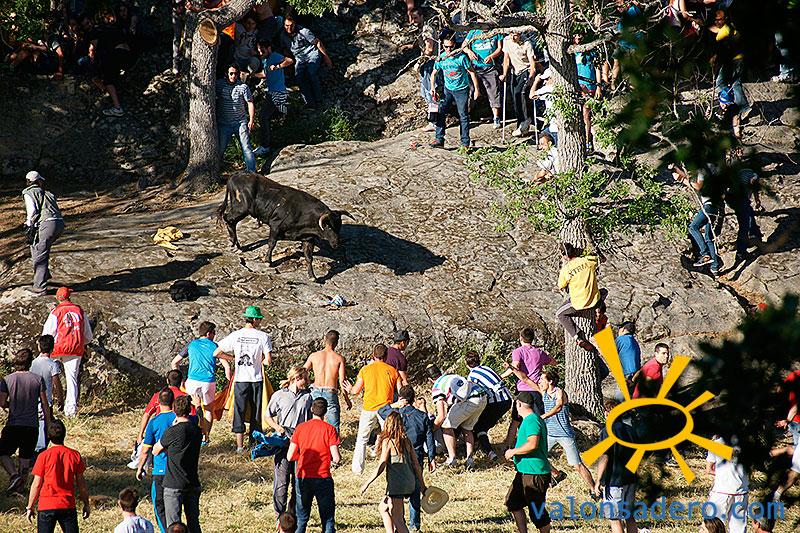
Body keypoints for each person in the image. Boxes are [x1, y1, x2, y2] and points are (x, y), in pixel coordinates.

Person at [214, 305, 273, 453]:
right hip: (256, 379)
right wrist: (260, 360)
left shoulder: (236, 335)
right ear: (254, 320)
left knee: (239, 411)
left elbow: (216, 353)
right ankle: (254, 443)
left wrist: (232, 358)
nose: (260, 321)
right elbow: (268, 361)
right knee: (256, 412)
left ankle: (240, 446)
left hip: (240, 379)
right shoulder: (263, 336)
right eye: (259, 319)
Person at [378, 385, 436, 530]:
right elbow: (429, 437)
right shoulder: (422, 416)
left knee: (397, 493)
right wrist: (431, 457)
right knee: (415, 491)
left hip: (398, 456)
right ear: (414, 398)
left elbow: (380, 411)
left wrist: (395, 404)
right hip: (417, 454)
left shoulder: (396, 414)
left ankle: (400, 522)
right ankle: (414, 524)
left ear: (401, 398)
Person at [360, 411, 427, 533]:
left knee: (397, 519)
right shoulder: (406, 441)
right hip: (410, 482)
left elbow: (382, 465)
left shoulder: (388, 442)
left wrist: (367, 483)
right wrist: (422, 486)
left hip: (397, 485)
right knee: (383, 508)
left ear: (388, 425)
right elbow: (416, 465)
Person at [1, 348, 53, 494]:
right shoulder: (38, 379)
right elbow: (44, 403)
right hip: (32, 425)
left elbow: (2, 402)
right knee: (25, 458)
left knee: (3, 452)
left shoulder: (7, 379)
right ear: (30, 363)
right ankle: (20, 489)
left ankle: (14, 475)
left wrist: (11, 404)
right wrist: (48, 422)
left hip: (14, 423)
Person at [265, 366, 313, 520]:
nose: (307, 381)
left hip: (302, 444)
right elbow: (267, 415)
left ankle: (292, 515)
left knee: (299, 482)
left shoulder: (308, 397)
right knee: (282, 482)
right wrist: (277, 427)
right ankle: (279, 515)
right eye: (305, 378)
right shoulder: (279, 395)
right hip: (284, 443)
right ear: (296, 378)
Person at [288, 397, 341, 533]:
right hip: (323, 477)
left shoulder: (300, 428)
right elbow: (336, 458)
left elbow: (290, 456)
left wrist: (301, 458)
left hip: (303, 477)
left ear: (311, 409)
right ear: (325, 412)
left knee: (301, 518)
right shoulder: (330, 429)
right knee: (327, 519)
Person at [26, 419, 90, 532]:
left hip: (46, 505)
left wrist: (30, 506)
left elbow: (36, 484)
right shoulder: (74, 455)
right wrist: (86, 503)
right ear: (64, 434)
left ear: (48, 436)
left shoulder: (43, 456)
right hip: (67, 504)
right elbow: (81, 484)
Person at [348, 344, 401, 474]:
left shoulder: (365, 370)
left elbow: (355, 391)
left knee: (362, 438)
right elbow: (401, 392)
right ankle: (393, 466)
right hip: (386, 408)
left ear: (373, 355)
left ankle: (357, 469)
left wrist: (349, 388)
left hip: (369, 408)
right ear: (386, 356)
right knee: (391, 437)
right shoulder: (393, 371)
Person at [538, 370, 595, 491]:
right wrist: (513, 369)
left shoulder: (560, 392)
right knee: (538, 455)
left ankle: (594, 489)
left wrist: (543, 416)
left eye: (542, 379)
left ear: (550, 381)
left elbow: (558, 406)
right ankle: (557, 474)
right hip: (550, 434)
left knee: (577, 465)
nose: (540, 382)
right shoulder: (544, 393)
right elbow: (526, 379)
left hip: (564, 435)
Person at [153, 395, 202, 533]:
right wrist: (198, 406)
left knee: (174, 526)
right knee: (194, 523)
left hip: (173, 484)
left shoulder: (172, 431)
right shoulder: (196, 430)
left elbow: (156, 450)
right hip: (192, 482)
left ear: (174, 410)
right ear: (189, 410)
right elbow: (200, 420)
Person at [504, 392, 552, 533]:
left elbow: (532, 444)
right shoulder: (529, 420)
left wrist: (513, 451)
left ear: (518, 404)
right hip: (524, 471)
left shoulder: (532, 420)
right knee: (513, 502)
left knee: (537, 514)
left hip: (535, 473)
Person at [41, 287, 93, 418]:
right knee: (72, 378)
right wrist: (82, 343)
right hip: (75, 349)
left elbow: (47, 333)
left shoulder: (55, 312)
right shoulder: (80, 311)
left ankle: (45, 406)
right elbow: (88, 336)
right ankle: (71, 411)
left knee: (46, 375)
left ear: (58, 298)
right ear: (69, 297)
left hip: (57, 348)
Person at [501, 328, 554, 447]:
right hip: (537, 390)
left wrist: (501, 376)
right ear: (532, 338)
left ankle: (508, 446)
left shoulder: (518, 351)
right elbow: (553, 362)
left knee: (516, 421)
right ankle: (541, 445)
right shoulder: (539, 352)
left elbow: (514, 367)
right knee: (538, 419)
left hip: (522, 390)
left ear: (521, 338)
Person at [427, 365, 487, 468]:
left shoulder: (437, 387)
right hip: (482, 397)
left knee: (446, 426)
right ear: (440, 372)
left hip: (469, 401)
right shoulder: (452, 376)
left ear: (429, 379)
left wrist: (431, 430)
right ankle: (470, 459)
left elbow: (441, 416)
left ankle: (452, 459)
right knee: (467, 428)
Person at [593, 399, 639, 533]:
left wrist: (598, 480)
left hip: (614, 481)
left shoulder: (607, 431)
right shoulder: (630, 430)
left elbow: (604, 456)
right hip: (630, 478)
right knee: (629, 516)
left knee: (615, 518)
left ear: (607, 413)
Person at [672, 164, 724, 277]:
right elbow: (689, 179)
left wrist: (682, 180)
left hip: (708, 206)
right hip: (715, 208)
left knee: (693, 227)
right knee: (708, 237)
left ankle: (705, 254)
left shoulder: (702, 172)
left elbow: (697, 186)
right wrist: (676, 170)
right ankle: (714, 268)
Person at [171, 322, 219, 443]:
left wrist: (181, 380)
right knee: (208, 410)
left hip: (192, 381)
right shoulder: (214, 346)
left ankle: (189, 436)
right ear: (208, 333)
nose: (214, 335)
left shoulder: (191, 344)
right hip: (208, 382)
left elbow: (174, 362)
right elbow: (225, 363)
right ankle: (205, 437)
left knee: (188, 408)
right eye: (214, 333)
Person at [429, 37, 480, 149]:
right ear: (442, 46)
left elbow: (472, 72)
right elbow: (433, 73)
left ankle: (465, 143)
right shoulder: (441, 58)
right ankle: (439, 139)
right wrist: (432, 87)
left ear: (454, 45)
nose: (448, 49)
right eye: (446, 46)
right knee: (441, 112)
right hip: (448, 89)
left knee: (463, 115)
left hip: (461, 90)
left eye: (451, 47)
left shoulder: (461, 58)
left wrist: (476, 89)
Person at [137, 388, 176, 533]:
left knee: (159, 506)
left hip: (160, 470)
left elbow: (145, 450)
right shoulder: (178, 419)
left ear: (158, 402)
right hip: (178, 470)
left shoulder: (154, 422)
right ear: (172, 401)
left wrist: (140, 467)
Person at [22, 171, 64, 295]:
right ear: (38, 181)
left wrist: (28, 225)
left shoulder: (28, 192)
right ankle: (44, 275)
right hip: (59, 224)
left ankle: (39, 287)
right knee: (36, 247)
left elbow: (32, 211)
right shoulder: (48, 193)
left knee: (40, 255)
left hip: (47, 225)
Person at [303, 330, 352, 435]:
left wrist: (308, 382)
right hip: (330, 392)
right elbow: (342, 381)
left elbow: (302, 371)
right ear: (337, 342)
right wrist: (347, 399)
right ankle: (333, 442)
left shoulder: (314, 356)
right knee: (333, 425)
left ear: (324, 339)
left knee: (314, 420)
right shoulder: (339, 359)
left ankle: (313, 439)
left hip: (316, 390)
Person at [465, 351, 512, 461]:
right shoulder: (487, 368)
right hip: (508, 398)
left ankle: (489, 452)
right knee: (485, 423)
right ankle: (479, 444)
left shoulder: (472, 376)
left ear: (466, 364)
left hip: (496, 402)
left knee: (479, 427)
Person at [280, 14, 332, 109]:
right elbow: (286, 50)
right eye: (287, 25)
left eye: (291, 25)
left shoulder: (304, 31)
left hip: (311, 54)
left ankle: (319, 100)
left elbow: (317, 43)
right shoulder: (283, 36)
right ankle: (309, 103)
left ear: (295, 24)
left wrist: (326, 58)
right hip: (299, 58)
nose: (289, 28)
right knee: (299, 77)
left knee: (311, 73)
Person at [251, 40, 293, 157]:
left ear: (269, 48)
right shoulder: (265, 60)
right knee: (271, 117)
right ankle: (271, 143)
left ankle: (265, 146)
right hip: (271, 92)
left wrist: (278, 66)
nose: (260, 53)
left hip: (277, 92)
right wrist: (253, 75)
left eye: (262, 50)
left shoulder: (274, 56)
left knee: (263, 117)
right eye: (259, 51)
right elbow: (265, 74)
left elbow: (290, 60)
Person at [556, 243, 601, 351]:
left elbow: (561, 285)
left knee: (560, 314)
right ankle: (599, 309)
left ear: (564, 256)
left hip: (579, 304)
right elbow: (599, 259)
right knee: (604, 291)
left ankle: (578, 337)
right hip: (594, 300)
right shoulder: (588, 261)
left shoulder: (566, 269)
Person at [709, 10, 750, 123]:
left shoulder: (723, 33)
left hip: (732, 61)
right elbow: (716, 29)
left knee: (721, 83)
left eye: (719, 20)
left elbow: (721, 50)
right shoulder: (730, 27)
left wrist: (714, 59)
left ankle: (732, 103)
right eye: (715, 20)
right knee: (735, 83)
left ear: (725, 19)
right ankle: (741, 106)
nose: (716, 22)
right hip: (740, 58)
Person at [137, 370, 195, 446]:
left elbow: (147, 414)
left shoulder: (159, 395)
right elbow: (193, 417)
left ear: (167, 381)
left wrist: (140, 434)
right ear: (182, 381)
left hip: (160, 434)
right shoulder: (185, 397)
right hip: (179, 436)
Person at [216, 63, 256, 172]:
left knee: (246, 147)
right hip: (224, 123)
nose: (233, 76)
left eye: (236, 74)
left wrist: (251, 120)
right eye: (231, 73)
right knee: (220, 149)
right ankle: (216, 170)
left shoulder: (243, 87)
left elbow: (250, 102)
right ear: (226, 74)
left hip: (240, 122)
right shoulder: (219, 84)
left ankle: (252, 171)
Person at [462, 25, 504, 128]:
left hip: (490, 67)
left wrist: (491, 56)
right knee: (471, 91)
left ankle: (496, 117)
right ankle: (466, 117)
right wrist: (469, 51)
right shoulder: (473, 32)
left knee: (493, 92)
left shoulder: (495, 32)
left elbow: (500, 48)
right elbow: (464, 45)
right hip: (474, 67)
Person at [706, 435, 748, 533]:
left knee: (712, 527)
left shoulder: (716, 442)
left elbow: (708, 469)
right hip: (741, 492)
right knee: (738, 529)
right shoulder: (747, 443)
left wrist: (723, 474)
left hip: (721, 492)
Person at [30, 336, 64, 452]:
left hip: (32, 401)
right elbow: (57, 384)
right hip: (47, 401)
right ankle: (40, 451)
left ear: (39, 347)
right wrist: (60, 399)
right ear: (52, 348)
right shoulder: (52, 364)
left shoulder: (33, 363)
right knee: (46, 428)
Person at [500, 30, 537, 137]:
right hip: (515, 72)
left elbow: (532, 62)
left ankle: (526, 120)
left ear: (520, 35)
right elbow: (506, 58)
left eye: (515, 35)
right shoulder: (507, 40)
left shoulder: (527, 43)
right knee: (515, 98)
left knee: (520, 94)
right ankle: (521, 124)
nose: (513, 37)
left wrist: (531, 76)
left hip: (526, 70)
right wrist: (504, 73)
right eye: (511, 34)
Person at [409, 7, 440, 131]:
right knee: (426, 92)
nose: (413, 21)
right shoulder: (422, 29)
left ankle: (434, 121)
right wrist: (409, 46)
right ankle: (432, 120)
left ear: (422, 17)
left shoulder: (427, 29)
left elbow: (429, 49)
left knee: (431, 92)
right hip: (427, 63)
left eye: (416, 18)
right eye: (412, 18)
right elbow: (422, 43)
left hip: (431, 62)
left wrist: (419, 62)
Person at [726, 166, 763, 264]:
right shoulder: (754, 174)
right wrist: (757, 200)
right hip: (740, 198)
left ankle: (754, 235)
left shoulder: (741, 171)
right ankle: (741, 252)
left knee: (748, 214)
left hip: (731, 198)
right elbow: (753, 184)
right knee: (744, 226)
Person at [776, 368, 800, 446]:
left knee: (797, 447)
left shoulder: (795, 375)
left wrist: (787, 420)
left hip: (796, 420)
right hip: (794, 419)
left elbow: (796, 407)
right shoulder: (794, 375)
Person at [615, 321, 641, 386]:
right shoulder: (635, 342)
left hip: (627, 377)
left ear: (623, 329)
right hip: (636, 375)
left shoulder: (620, 339)